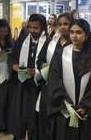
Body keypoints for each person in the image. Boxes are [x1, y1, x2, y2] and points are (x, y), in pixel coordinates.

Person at [47, 19, 91, 140]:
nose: (74, 35)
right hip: (63, 108)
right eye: (72, 32)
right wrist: (64, 102)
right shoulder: (61, 53)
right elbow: (54, 79)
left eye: (78, 32)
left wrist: (86, 105)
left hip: (83, 110)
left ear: (86, 35)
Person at [8, 14, 47, 140]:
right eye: (30, 27)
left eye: (36, 28)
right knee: (20, 114)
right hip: (22, 84)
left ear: (42, 28)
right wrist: (14, 65)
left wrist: (37, 72)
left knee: (34, 118)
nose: (32, 30)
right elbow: (13, 56)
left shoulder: (48, 42)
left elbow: (51, 66)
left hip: (38, 86)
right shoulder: (23, 38)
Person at [35, 12, 72, 140]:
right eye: (60, 24)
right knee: (49, 124)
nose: (62, 27)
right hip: (50, 88)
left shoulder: (76, 44)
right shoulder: (51, 42)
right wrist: (45, 67)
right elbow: (39, 60)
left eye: (66, 24)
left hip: (68, 89)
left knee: (63, 124)